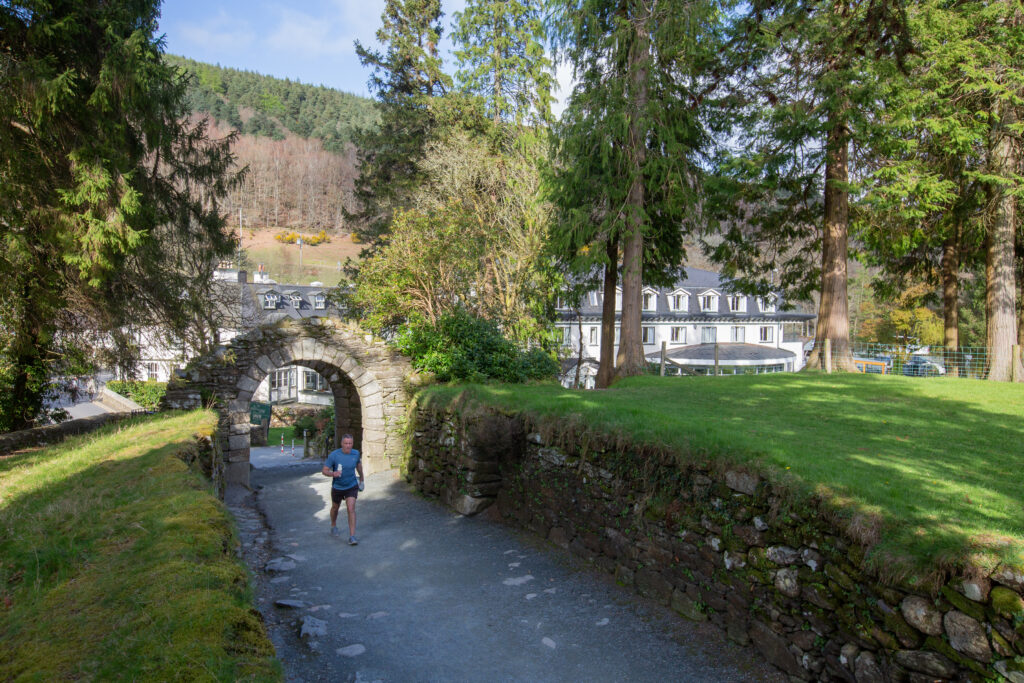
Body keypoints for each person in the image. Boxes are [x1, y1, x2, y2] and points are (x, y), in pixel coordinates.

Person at [323, 434, 364, 544]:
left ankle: (352, 536)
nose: (348, 446)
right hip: (338, 487)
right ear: (342, 444)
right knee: (335, 508)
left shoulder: (355, 453)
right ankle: (333, 524)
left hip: (351, 485)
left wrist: (362, 480)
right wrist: (333, 474)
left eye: (350, 443)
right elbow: (324, 470)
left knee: (351, 509)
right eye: (346, 443)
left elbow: (359, 467)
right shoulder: (334, 455)